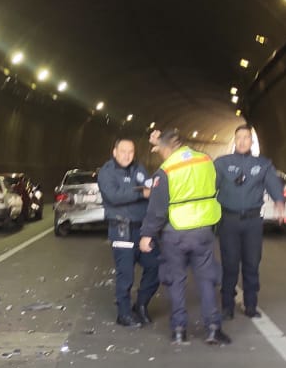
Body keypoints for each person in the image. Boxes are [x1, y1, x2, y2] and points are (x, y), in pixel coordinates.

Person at [139, 130, 227, 346]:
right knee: (206, 280)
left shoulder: (167, 170)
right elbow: (216, 185)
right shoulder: (206, 160)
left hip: (175, 233)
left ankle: (179, 330)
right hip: (203, 231)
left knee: (176, 281)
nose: (159, 154)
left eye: (160, 150)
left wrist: (146, 235)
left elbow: (158, 210)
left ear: (168, 148)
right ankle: (213, 329)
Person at [214, 124, 285, 320]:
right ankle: (227, 305)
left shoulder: (263, 164)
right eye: (239, 138)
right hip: (229, 220)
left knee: (252, 264)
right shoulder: (222, 163)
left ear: (252, 142)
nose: (243, 141)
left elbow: (273, 184)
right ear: (235, 141)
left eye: (247, 138)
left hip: (252, 221)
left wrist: (279, 201)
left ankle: (251, 304)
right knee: (229, 264)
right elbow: (210, 187)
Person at [97, 139, 159, 327]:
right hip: (121, 229)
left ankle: (140, 304)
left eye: (131, 152)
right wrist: (141, 193)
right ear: (114, 151)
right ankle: (123, 314)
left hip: (141, 229)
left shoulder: (138, 168)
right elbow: (114, 196)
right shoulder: (106, 172)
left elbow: (148, 184)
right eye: (123, 151)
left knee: (156, 266)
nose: (127, 155)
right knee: (126, 275)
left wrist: (151, 185)